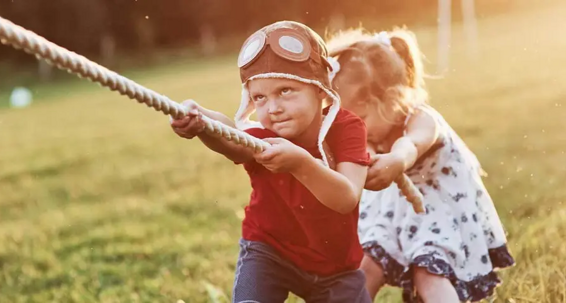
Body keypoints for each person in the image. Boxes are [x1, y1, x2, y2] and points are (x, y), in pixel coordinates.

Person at [170, 21, 373, 302]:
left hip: (336, 266)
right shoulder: (261, 137)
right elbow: (230, 137)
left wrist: (301, 164)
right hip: (269, 251)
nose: (273, 108)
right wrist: (201, 120)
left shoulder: (346, 128)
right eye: (260, 97)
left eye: (285, 91)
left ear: (318, 88)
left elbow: (346, 197)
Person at [325, 27, 515, 303]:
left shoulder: (422, 119)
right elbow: (358, 153)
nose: (356, 131)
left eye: (360, 119)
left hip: (440, 212)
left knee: (428, 276)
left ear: (391, 99)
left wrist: (395, 161)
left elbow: (411, 145)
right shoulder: (370, 133)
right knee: (365, 269)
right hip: (393, 211)